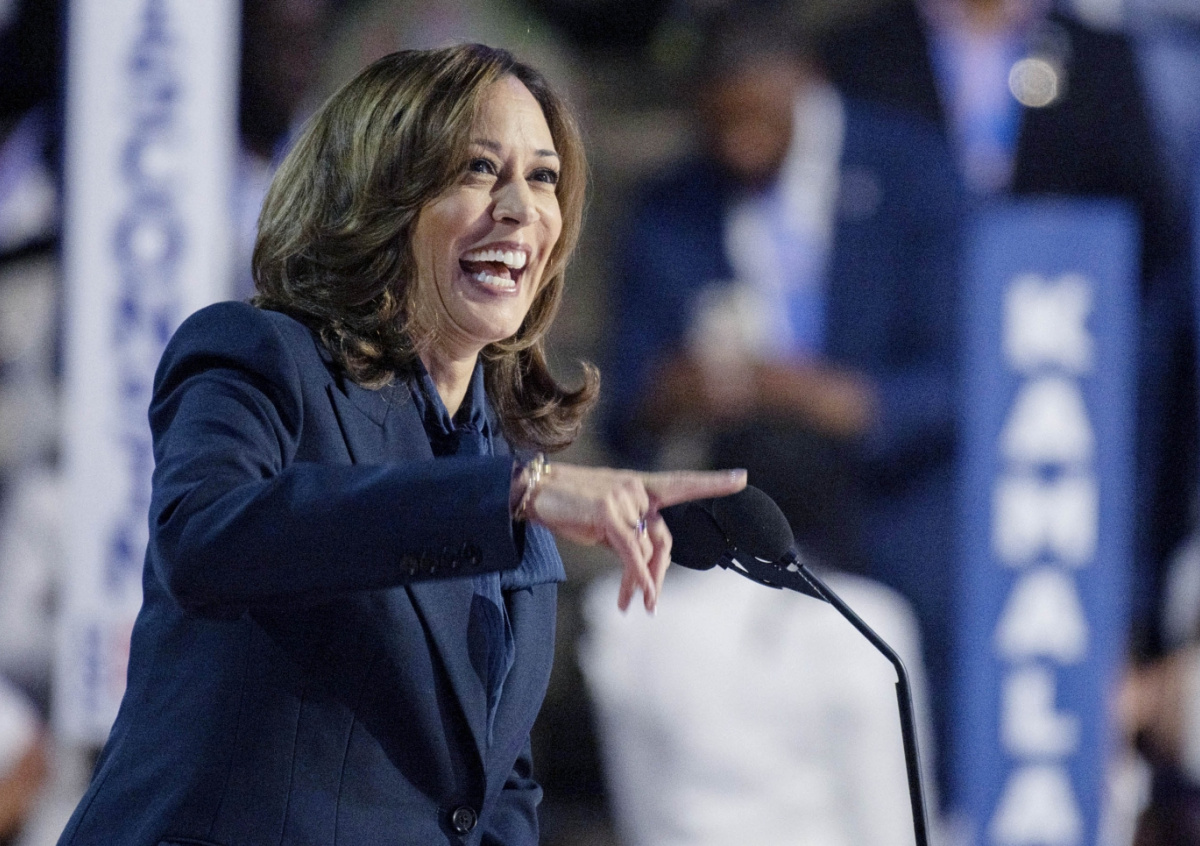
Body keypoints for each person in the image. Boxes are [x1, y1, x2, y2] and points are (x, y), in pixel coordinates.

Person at [55, 44, 745, 845]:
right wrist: (510, 496)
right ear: (380, 196)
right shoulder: (259, 355)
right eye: (478, 169)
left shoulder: (496, 447)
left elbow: (493, 782)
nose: (521, 209)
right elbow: (206, 540)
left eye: (543, 177)